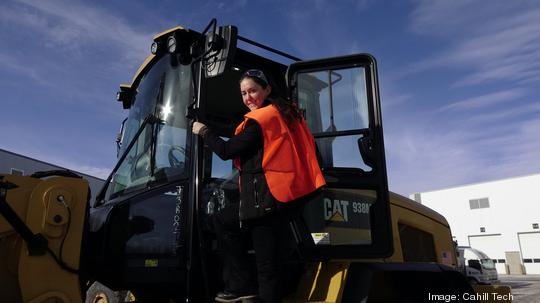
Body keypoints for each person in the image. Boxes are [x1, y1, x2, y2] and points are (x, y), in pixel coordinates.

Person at [192, 69, 325, 303]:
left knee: (265, 267)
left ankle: (240, 284)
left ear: (267, 89)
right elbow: (241, 136)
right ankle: (240, 284)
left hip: (264, 201)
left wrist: (203, 131)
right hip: (283, 198)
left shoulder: (260, 121)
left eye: (252, 90)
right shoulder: (285, 116)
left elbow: (226, 150)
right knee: (267, 262)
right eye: (243, 93)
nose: (248, 97)